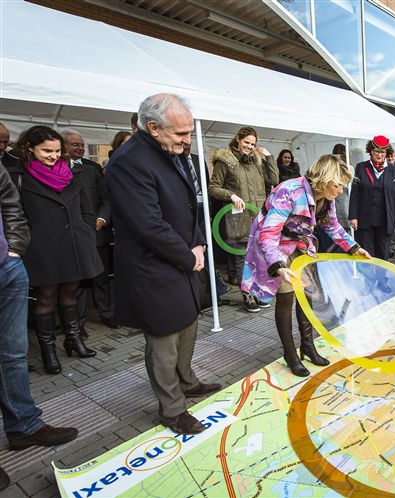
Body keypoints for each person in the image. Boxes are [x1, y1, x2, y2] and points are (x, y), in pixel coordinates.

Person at [106, 94, 221, 435]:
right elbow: (147, 224)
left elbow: (190, 204)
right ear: (153, 127)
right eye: (182, 133)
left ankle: (187, 381)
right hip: (153, 265)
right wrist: (190, 256)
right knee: (164, 337)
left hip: (183, 257)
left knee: (188, 324)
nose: (188, 140)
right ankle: (171, 409)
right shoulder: (128, 161)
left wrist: (198, 241)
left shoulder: (168, 151)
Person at [242, 154, 370, 377]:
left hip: (300, 244)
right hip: (275, 247)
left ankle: (308, 347)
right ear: (324, 178)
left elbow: (333, 227)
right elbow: (268, 233)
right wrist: (278, 265)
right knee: (287, 295)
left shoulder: (326, 199)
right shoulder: (290, 191)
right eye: (338, 185)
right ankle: (290, 353)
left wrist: (353, 247)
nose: (341, 190)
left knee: (307, 293)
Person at [0, 166, 79, 491]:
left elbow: (9, 201)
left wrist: (14, 249)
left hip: (7, 267)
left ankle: (24, 425)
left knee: (14, 353)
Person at [15, 126, 101, 375]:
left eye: (57, 151)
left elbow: (86, 208)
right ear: (30, 148)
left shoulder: (71, 174)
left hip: (74, 243)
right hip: (43, 247)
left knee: (70, 294)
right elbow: (16, 215)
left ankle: (74, 340)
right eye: (46, 151)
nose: (53, 156)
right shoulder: (19, 176)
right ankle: (48, 351)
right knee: (46, 298)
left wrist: (85, 232)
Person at [209, 126, 279, 311]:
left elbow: (274, 179)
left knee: (260, 258)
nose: (249, 146)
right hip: (238, 220)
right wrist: (231, 195)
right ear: (238, 140)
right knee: (242, 260)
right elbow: (213, 188)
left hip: (259, 218)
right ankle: (248, 296)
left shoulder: (256, 161)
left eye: (253, 144)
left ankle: (260, 292)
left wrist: (268, 156)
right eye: (246, 142)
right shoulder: (225, 161)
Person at [62, 129, 118, 330]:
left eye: (82, 145)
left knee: (101, 278)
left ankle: (107, 314)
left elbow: (106, 197)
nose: (80, 148)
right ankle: (76, 325)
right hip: (71, 235)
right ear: (64, 145)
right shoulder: (56, 168)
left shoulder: (92, 168)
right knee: (75, 282)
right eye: (75, 144)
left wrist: (102, 218)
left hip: (96, 232)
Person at [348, 135, 395, 292]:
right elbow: (355, 193)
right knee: (366, 253)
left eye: (382, 152)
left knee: (382, 253)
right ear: (370, 151)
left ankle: (381, 281)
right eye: (376, 151)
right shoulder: (361, 167)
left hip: (385, 219)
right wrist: (353, 216)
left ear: (387, 153)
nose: (379, 155)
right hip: (364, 218)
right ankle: (368, 283)